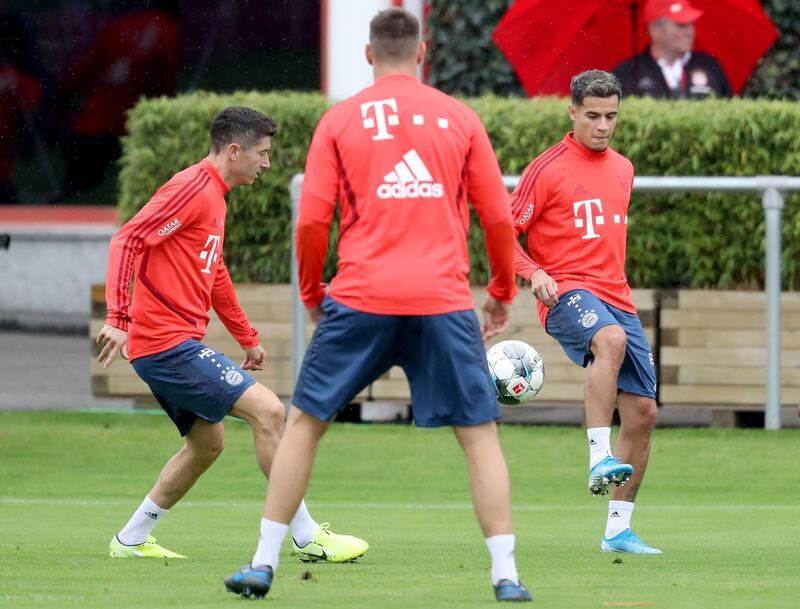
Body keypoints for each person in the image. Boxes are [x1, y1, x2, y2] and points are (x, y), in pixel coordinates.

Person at [224, 8, 531, 603]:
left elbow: (312, 221)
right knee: (479, 436)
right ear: (423, 52)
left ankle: (262, 564)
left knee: (305, 424)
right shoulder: (461, 119)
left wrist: (314, 295)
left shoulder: (339, 121)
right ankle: (506, 576)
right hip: (441, 300)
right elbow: (497, 216)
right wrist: (500, 294)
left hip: (360, 297)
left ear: (368, 55)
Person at [96, 106, 368, 564]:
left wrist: (247, 336)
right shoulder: (192, 188)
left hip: (173, 344)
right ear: (235, 150)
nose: (266, 163)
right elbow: (129, 239)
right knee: (269, 411)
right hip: (166, 344)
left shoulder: (215, 197)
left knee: (206, 445)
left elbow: (215, 272)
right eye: (262, 154)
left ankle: (131, 539)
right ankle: (304, 535)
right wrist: (118, 317)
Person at [511, 70, 661, 555]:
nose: (602, 125)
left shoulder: (624, 167)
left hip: (617, 296)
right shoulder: (547, 168)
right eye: (592, 115)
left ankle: (618, 530)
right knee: (610, 341)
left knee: (642, 413)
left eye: (611, 116)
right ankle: (599, 454)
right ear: (572, 111)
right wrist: (533, 272)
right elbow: (502, 233)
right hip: (565, 294)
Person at [613, 0, 731, 99]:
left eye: (691, 24)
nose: (690, 32)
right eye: (681, 25)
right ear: (655, 30)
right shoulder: (627, 73)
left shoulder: (709, 65)